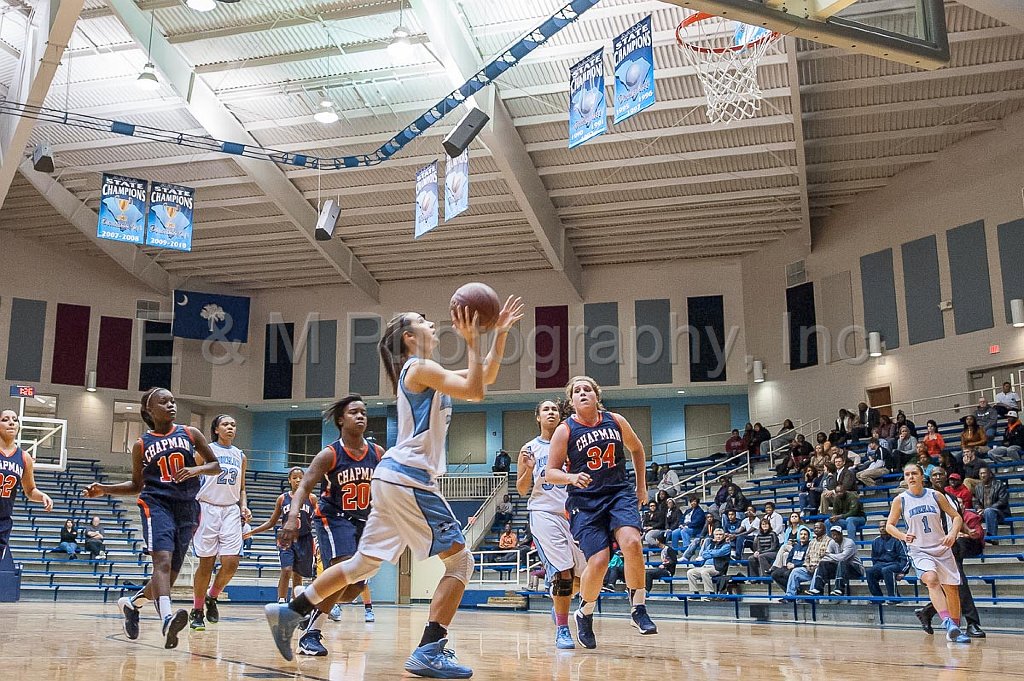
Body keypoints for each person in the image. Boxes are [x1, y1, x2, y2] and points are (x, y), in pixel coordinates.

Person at [264, 298, 523, 677]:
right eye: (423, 320)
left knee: (361, 565)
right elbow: (476, 391)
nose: (432, 322)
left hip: (391, 477)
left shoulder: (421, 369)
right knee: (460, 560)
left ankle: (292, 612)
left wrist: (496, 336)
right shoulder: (417, 367)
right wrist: (472, 341)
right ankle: (430, 649)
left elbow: (484, 378)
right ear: (409, 336)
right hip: (409, 476)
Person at [83, 388, 221, 649]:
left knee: (167, 579)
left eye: (172, 401)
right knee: (162, 562)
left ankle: (132, 605)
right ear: (149, 410)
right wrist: (105, 488)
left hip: (187, 508)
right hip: (156, 504)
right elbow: (137, 485)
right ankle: (167, 618)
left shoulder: (191, 433)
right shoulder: (141, 444)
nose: (171, 405)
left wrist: (196, 469)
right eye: (164, 402)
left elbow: (216, 466)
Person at [545, 375, 658, 648]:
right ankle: (584, 612)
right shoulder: (565, 430)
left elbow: (638, 449)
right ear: (571, 402)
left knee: (632, 542)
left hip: (618, 493)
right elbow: (551, 472)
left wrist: (641, 488)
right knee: (599, 561)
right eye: (577, 391)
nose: (583, 393)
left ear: (597, 395)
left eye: (587, 389)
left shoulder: (616, 421)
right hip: (585, 502)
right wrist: (571, 478)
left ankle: (638, 608)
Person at [279, 394, 386, 655]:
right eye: (354, 412)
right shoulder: (330, 454)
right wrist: (293, 516)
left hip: (364, 521)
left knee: (353, 588)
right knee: (343, 567)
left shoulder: (377, 453)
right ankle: (311, 634)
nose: (360, 416)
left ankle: (307, 598)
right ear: (341, 419)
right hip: (334, 518)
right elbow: (305, 485)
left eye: (363, 412)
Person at [516, 398, 588, 649]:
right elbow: (522, 489)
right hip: (543, 512)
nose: (550, 412)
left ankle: (559, 603)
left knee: (583, 578)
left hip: (574, 514)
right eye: (545, 409)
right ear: (537, 417)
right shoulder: (529, 448)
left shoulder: (572, 444)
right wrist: (528, 469)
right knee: (563, 574)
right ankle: (562, 628)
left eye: (554, 409)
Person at [886, 462, 970, 643]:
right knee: (931, 579)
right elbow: (889, 525)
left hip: (942, 547)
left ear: (922, 475)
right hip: (919, 550)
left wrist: (953, 534)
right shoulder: (900, 500)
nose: (911, 477)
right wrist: (902, 535)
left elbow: (957, 517)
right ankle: (948, 623)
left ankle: (955, 630)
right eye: (907, 474)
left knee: (952, 590)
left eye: (914, 473)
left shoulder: (935, 495)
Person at [190, 414, 250, 631]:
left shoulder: (240, 455)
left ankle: (212, 596)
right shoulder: (205, 451)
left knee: (232, 562)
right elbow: (190, 475)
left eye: (233, 424)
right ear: (216, 429)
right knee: (206, 563)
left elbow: (242, 487)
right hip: (207, 508)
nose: (230, 427)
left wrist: (244, 505)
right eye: (225, 424)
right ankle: (197, 610)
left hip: (231, 510)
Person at [915, 467, 986, 638]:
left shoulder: (953, 499)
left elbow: (957, 519)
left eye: (940, 474)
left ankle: (928, 613)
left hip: (952, 548)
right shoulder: (924, 499)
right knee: (957, 585)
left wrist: (969, 531)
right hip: (934, 549)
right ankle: (971, 623)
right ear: (929, 479)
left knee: (954, 586)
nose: (938, 477)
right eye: (934, 475)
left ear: (946, 477)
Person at [246, 467, 317, 604]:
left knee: (298, 575)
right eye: (294, 478)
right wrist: (252, 531)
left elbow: (319, 518)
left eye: (300, 478)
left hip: (304, 538)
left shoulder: (311, 498)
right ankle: (282, 600)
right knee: (286, 569)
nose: (297, 480)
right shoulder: (282, 498)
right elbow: (272, 522)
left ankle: (295, 603)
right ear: (289, 480)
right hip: (286, 538)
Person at [0, 410, 53, 565]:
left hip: (3, 521)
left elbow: (30, 491)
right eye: (5, 419)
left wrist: (42, 496)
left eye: (15, 420)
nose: (11, 422)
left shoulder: (24, 457)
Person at [781, 521, 836, 602]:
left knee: (818, 570)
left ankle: (812, 596)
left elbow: (830, 557)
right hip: (809, 568)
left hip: (822, 570)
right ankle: (790, 596)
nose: (816, 529)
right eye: (815, 528)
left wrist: (817, 566)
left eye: (818, 528)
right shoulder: (812, 542)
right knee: (795, 571)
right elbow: (807, 557)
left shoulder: (830, 541)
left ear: (824, 530)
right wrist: (807, 565)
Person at [810, 526, 863, 596]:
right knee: (823, 563)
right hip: (840, 568)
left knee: (842, 562)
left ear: (841, 534)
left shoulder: (849, 543)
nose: (834, 537)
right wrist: (828, 556)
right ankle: (818, 589)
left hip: (855, 569)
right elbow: (826, 557)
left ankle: (839, 589)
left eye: (836, 535)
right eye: (833, 535)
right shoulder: (832, 542)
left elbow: (842, 558)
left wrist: (830, 555)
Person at [865, 519, 908, 602]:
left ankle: (894, 597)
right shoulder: (875, 541)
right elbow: (874, 558)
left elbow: (905, 557)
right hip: (880, 565)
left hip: (895, 564)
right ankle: (878, 598)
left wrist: (903, 572)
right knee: (869, 571)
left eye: (884, 526)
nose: (882, 528)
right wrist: (876, 569)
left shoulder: (897, 540)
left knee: (886, 570)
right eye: (880, 527)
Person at [686, 527, 731, 597]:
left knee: (704, 572)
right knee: (690, 572)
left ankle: (711, 594)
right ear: (714, 536)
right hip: (705, 566)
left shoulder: (726, 546)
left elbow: (719, 553)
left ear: (724, 536)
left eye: (720, 534)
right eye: (716, 535)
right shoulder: (711, 545)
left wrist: (710, 553)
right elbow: (704, 554)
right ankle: (695, 594)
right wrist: (713, 553)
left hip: (717, 568)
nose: (718, 536)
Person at [973, 466, 1009, 545]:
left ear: (990, 474)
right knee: (968, 512)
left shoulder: (999, 485)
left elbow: (1002, 501)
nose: (983, 475)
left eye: (984, 473)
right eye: (981, 473)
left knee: (988, 511)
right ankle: (972, 539)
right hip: (983, 512)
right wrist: (978, 508)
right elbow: (976, 501)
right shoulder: (978, 487)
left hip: (999, 512)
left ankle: (992, 537)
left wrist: (987, 509)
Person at [770, 527, 810, 594]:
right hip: (790, 566)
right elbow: (789, 556)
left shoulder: (809, 546)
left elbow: (807, 561)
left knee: (786, 574)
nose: (803, 536)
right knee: (774, 574)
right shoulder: (796, 546)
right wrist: (788, 563)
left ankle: (791, 593)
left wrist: (795, 565)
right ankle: (796, 590)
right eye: (801, 534)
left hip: (799, 568)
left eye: (805, 534)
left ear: (808, 537)